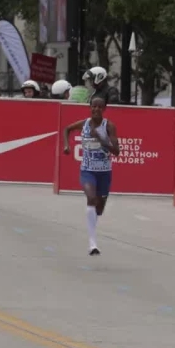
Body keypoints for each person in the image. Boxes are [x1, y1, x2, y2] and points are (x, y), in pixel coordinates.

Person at [63, 96, 120, 256]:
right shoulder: (85, 123)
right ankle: (92, 243)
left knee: (99, 208)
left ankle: (94, 226)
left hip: (104, 172)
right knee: (91, 199)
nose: (96, 110)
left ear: (104, 109)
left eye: (99, 107)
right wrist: (66, 146)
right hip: (87, 170)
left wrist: (101, 139)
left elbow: (116, 151)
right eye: (93, 106)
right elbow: (67, 129)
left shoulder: (109, 126)